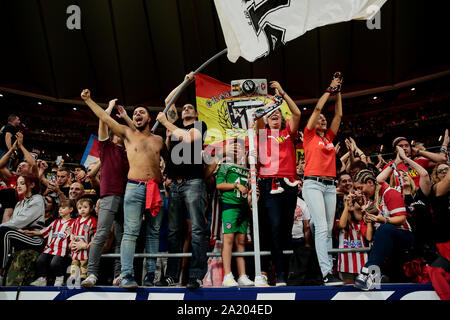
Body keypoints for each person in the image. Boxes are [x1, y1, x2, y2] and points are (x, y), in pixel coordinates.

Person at [81, 88, 166, 289]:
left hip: (155, 188)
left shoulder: (159, 140)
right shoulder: (127, 134)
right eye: (135, 112)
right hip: (134, 188)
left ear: (149, 118)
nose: (138, 114)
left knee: (153, 233)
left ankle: (150, 275)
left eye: (141, 112)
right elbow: (104, 117)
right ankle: (127, 275)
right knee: (130, 233)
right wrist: (88, 100)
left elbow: (169, 162)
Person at [155, 72, 209, 290]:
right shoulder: (175, 124)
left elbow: (188, 139)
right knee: (174, 231)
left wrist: (165, 122)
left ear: (195, 114)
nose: (185, 109)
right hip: (174, 184)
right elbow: (169, 101)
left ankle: (196, 275)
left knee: (197, 229)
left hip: (194, 182)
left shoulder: (199, 126)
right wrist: (185, 82)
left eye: (189, 108)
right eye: (184, 107)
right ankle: (171, 275)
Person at [254, 80, 301, 286]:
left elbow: (297, 114)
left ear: (283, 120)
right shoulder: (262, 134)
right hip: (269, 183)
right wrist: (267, 105)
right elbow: (257, 117)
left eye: (278, 114)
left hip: (289, 184)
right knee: (273, 227)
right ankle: (279, 273)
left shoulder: (287, 134)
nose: (275, 115)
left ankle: (286, 271)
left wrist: (282, 93)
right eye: (271, 114)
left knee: (286, 228)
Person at [301, 72, 344, 286]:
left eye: (323, 119)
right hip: (312, 183)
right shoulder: (308, 135)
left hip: (330, 185)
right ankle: (327, 272)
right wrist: (329, 89)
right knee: (322, 227)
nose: (323, 119)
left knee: (328, 227)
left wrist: (339, 92)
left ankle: (327, 271)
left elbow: (338, 116)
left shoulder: (329, 137)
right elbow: (318, 109)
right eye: (320, 119)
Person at [81, 98, 128, 288]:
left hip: (126, 197)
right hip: (109, 195)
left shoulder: (130, 152)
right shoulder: (106, 147)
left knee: (123, 237)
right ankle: (92, 273)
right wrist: (108, 108)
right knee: (101, 234)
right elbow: (102, 121)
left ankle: (119, 274)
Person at [353, 169, 413, 291]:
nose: (359, 192)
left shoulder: (389, 192)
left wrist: (384, 220)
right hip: (389, 239)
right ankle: (376, 275)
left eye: (360, 188)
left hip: (405, 235)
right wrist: (369, 220)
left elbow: (401, 218)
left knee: (385, 228)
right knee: (381, 232)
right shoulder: (371, 199)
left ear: (370, 182)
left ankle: (368, 272)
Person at [378, 146, 433, 261]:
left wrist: (405, 159)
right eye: (400, 176)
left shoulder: (419, 193)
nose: (403, 176)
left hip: (428, 243)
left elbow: (424, 174)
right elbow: (379, 180)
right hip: (406, 244)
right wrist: (397, 162)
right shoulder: (395, 197)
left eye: (405, 175)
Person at [216, 139, 254, 287]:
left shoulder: (247, 169)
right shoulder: (225, 166)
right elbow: (219, 184)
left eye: (240, 147)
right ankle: (227, 274)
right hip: (230, 206)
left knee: (241, 242)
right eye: (234, 147)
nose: (238, 150)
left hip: (243, 207)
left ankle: (242, 275)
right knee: (229, 239)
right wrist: (236, 185)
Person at [0, 174, 45, 283]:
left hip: (35, 240)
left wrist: (3, 226)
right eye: (17, 184)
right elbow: (15, 225)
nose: (18, 186)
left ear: (32, 185)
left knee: (6, 233)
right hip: (21, 236)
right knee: (5, 232)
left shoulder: (37, 199)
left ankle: (1, 271)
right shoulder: (19, 204)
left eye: (22, 183)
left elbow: (21, 221)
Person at [26, 199, 76, 286]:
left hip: (62, 248)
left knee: (55, 263)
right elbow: (44, 231)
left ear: (71, 209)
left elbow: (74, 235)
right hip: (50, 247)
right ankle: (43, 279)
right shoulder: (56, 222)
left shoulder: (74, 222)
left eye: (63, 208)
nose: (60, 209)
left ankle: (59, 278)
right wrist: (31, 232)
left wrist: (72, 243)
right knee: (40, 260)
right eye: (59, 207)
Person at [383, 131, 448, 188]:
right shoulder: (390, 165)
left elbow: (442, 159)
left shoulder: (418, 162)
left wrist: (419, 152)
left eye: (407, 146)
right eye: (400, 146)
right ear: (395, 150)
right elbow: (381, 182)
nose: (404, 148)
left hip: (421, 199)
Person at [335, 190, 369, 284]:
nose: (349, 203)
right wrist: (346, 207)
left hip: (363, 264)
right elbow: (342, 225)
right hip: (345, 265)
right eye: (346, 200)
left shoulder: (359, 221)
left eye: (351, 201)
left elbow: (368, 237)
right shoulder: (337, 221)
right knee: (349, 293)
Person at [69, 198, 97, 281]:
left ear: (91, 208)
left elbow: (96, 233)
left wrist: (90, 244)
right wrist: (72, 241)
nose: (82, 210)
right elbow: (72, 232)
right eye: (80, 208)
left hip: (85, 246)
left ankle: (83, 275)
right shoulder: (76, 220)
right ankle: (73, 276)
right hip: (76, 247)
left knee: (84, 262)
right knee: (74, 262)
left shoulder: (93, 220)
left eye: (85, 207)